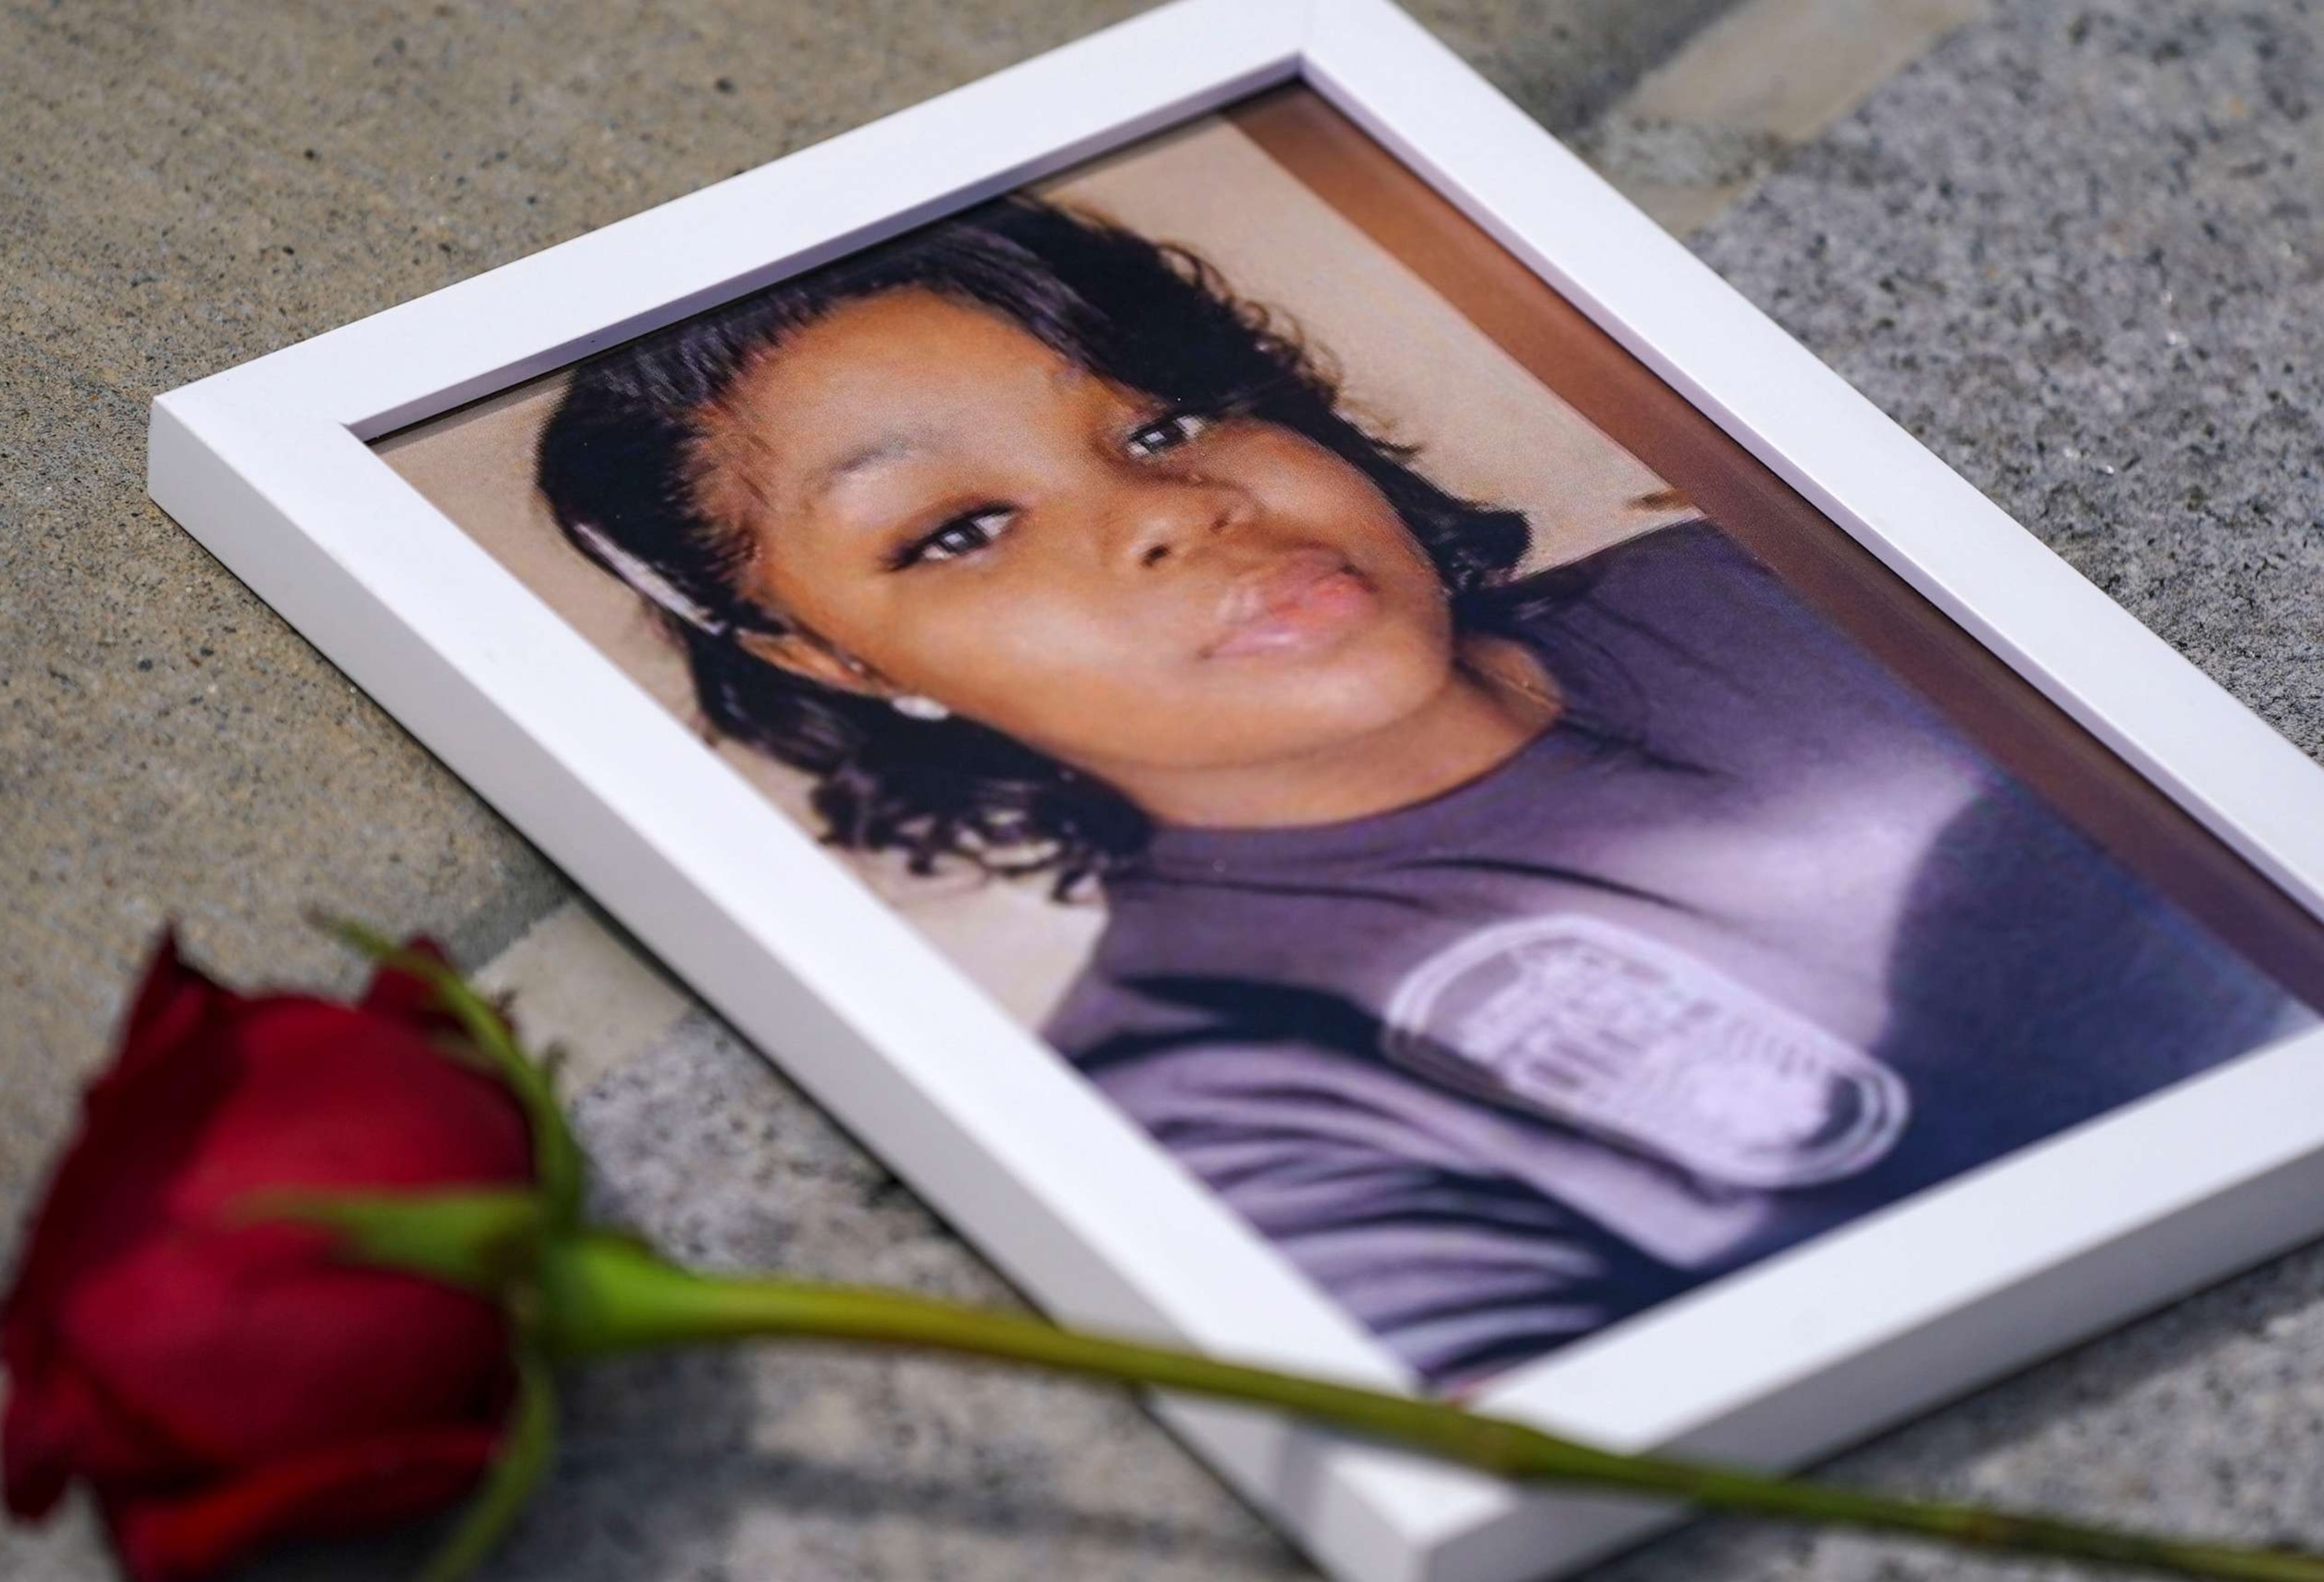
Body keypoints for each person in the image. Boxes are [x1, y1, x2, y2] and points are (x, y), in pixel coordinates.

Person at [535, 196, 2313, 1393]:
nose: (1169, 509)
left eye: (1158, 425)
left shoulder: (1776, 571)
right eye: (960, 529)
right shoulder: (1212, 1105)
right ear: (841, 664)